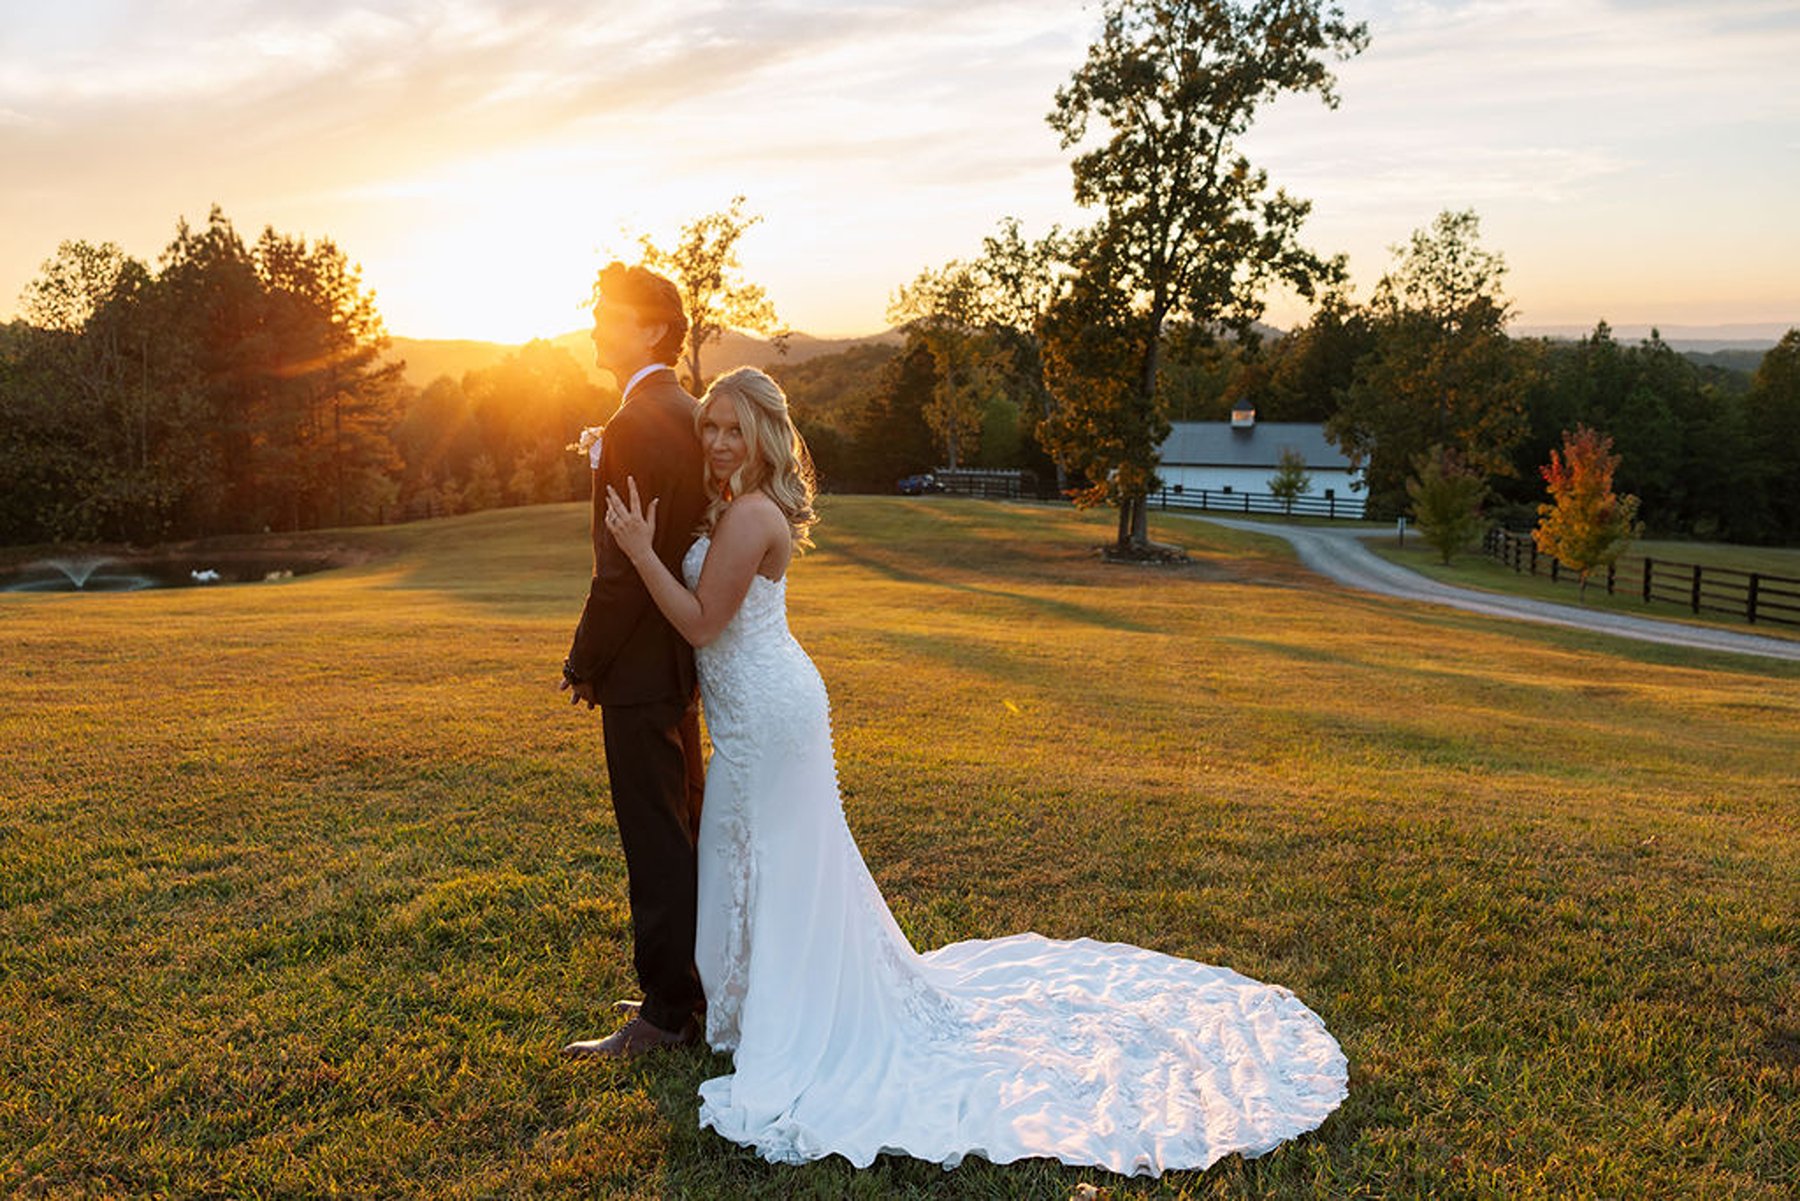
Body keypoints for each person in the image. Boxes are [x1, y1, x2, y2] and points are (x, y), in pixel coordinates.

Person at [603, 366, 1349, 1176]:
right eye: (708, 426)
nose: (715, 441)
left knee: (777, 862)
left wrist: (642, 554)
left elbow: (707, 624)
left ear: (764, 437)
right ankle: (744, 1011)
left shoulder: (749, 513)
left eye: (732, 430)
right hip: (753, 715)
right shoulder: (734, 505)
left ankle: (793, 1019)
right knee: (749, 856)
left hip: (771, 718)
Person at [559, 262, 709, 1059]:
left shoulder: (634, 424)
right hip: (680, 660)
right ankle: (684, 988)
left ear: (652, 329)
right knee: (682, 828)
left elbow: (620, 573)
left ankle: (664, 1015)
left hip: (644, 670)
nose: (593, 325)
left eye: (607, 313)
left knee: (655, 839)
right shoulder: (685, 411)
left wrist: (585, 660)